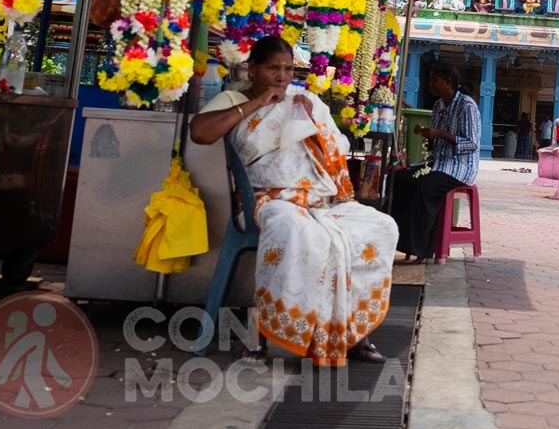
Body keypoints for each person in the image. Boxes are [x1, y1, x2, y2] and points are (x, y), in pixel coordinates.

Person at [191, 36, 398, 367]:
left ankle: (353, 334)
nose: (282, 77)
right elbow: (200, 133)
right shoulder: (233, 98)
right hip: (267, 201)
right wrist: (258, 104)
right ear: (253, 68)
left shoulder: (305, 100)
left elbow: (337, 148)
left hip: (319, 200)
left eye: (288, 69)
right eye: (273, 68)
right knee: (295, 230)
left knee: (381, 226)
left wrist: (311, 121)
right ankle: (258, 338)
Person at [391, 62, 480, 264]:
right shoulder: (439, 105)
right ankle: (398, 239)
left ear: (447, 82)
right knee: (400, 178)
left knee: (427, 186)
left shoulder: (467, 106)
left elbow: (472, 144)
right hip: (438, 161)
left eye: (434, 80)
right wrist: (428, 135)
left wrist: (440, 134)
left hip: (460, 167)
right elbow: (437, 143)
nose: (430, 84)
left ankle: (422, 248)